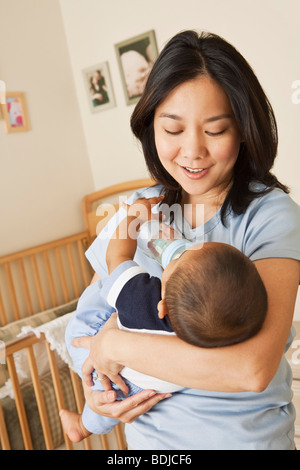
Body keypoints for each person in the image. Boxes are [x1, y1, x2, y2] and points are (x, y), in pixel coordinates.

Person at [66, 30, 300, 450]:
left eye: (215, 130)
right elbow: (95, 313)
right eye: (172, 128)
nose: (192, 152)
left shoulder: (270, 215)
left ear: (244, 130)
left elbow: (251, 369)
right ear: (150, 126)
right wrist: (96, 396)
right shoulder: (140, 208)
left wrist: (116, 344)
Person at [61, 196, 267, 441]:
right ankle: (84, 426)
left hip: (92, 352)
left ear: (163, 305)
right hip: (144, 390)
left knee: (105, 289)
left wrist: (133, 218)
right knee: (116, 395)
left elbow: (116, 256)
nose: (180, 249)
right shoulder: (214, 337)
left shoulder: (143, 300)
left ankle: (85, 423)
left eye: (181, 255)